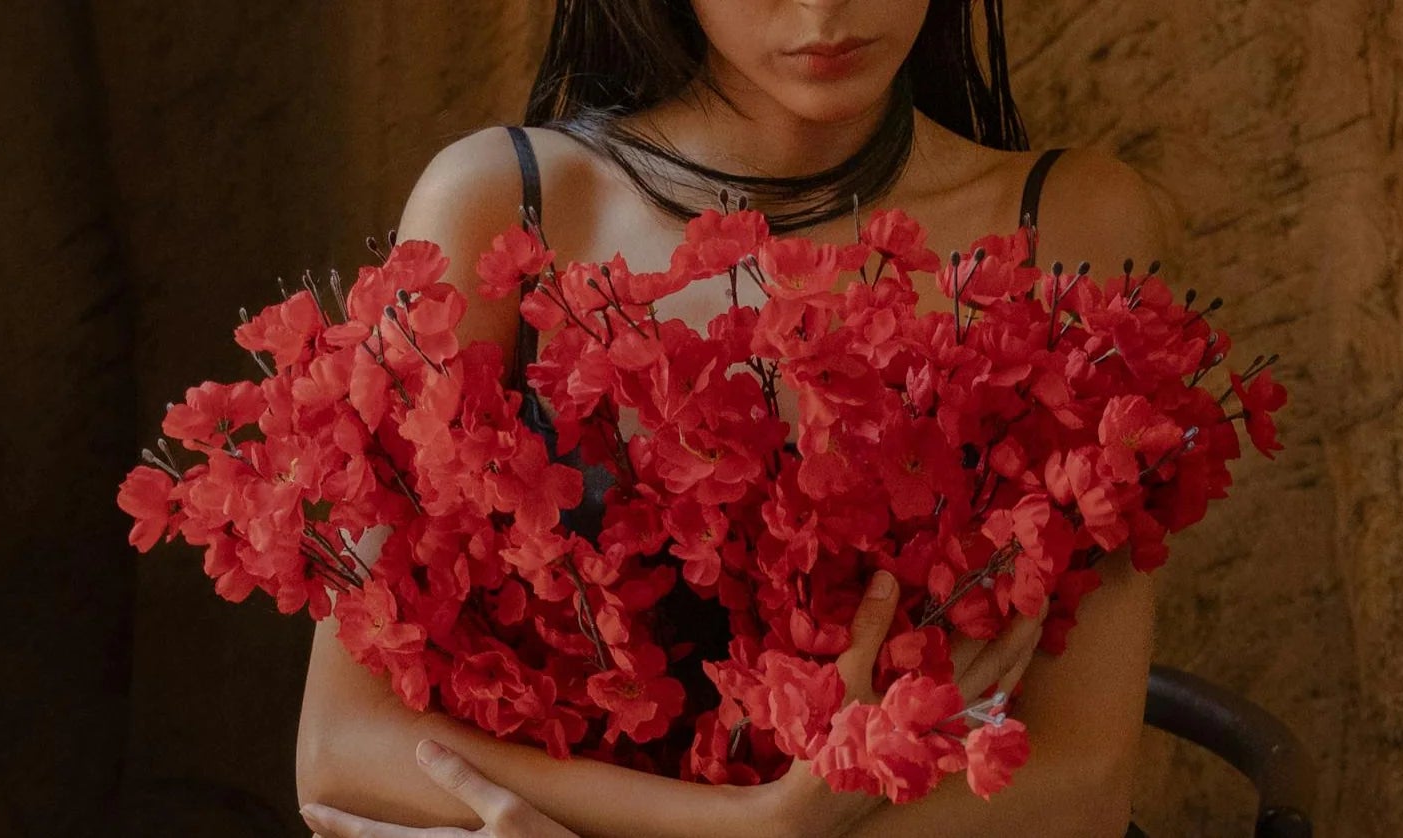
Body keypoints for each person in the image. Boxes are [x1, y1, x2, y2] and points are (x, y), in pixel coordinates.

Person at [297, 1, 1166, 835]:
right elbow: (344, 746)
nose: (825, 7)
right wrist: (754, 828)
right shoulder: (505, 203)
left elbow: (1080, 785)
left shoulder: (1070, 222)